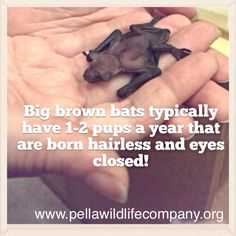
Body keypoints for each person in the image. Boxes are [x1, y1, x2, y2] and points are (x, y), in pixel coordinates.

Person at [7, 7, 228, 203]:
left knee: (155, 68)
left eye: (96, 75)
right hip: (139, 38)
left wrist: (173, 51)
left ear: (109, 73)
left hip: (149, 42)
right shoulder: (109, 54)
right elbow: (120, 39)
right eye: (92, 72)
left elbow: (153, 69)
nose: (91, 76)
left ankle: (168, 56)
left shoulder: (130, 63)